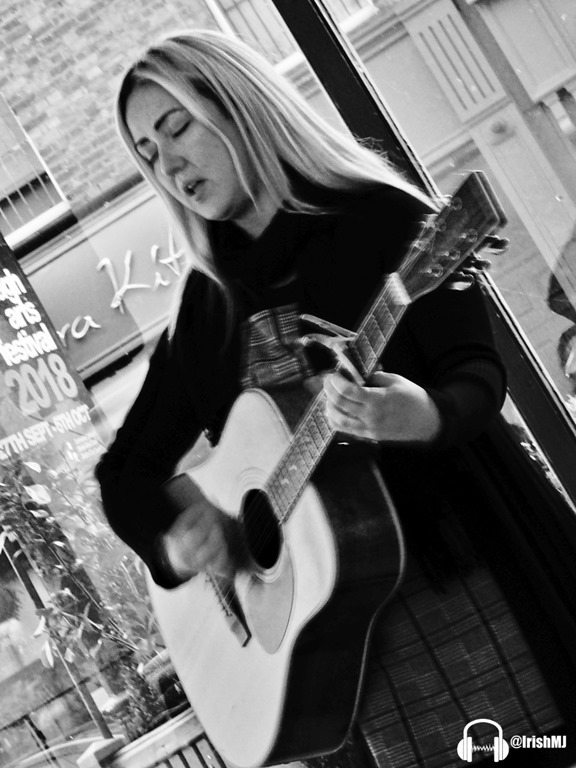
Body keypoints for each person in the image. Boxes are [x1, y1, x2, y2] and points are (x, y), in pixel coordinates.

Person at [96, 29, 572, 768]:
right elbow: (122, 476)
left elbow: (475, 370)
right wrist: (178, 539)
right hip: (313, 653)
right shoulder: (207, 305)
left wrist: (423, 415)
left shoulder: (383, 219)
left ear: (238, 105)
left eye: (177, 127)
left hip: (454, 574)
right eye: (149, 154)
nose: (170, 165)